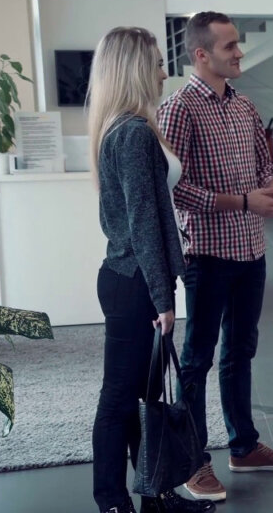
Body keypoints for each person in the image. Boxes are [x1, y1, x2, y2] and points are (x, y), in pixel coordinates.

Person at [159, 11, 273, 504]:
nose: (239, 52)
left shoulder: (243, 105)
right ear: (202, 55)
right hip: (207, 255)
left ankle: (243, 447)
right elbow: (173, 189)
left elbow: (263, 166)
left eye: (238, 43)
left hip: (250, 251)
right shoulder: (178, 109)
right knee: (197, 359)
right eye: (230, 47)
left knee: (241, 351)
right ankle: (192, 462)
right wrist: (243, 202)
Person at [89, 26, 215, 513]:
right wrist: (163, 297)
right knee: (120, 399)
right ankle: (112, 501)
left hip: (128, 278)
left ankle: (155, 496)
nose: (165, 73)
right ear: (136, 69)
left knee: (141, 398)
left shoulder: (124, 127)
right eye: (158, 63)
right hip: (134, 282)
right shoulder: (135, 133)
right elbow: (142, 222)